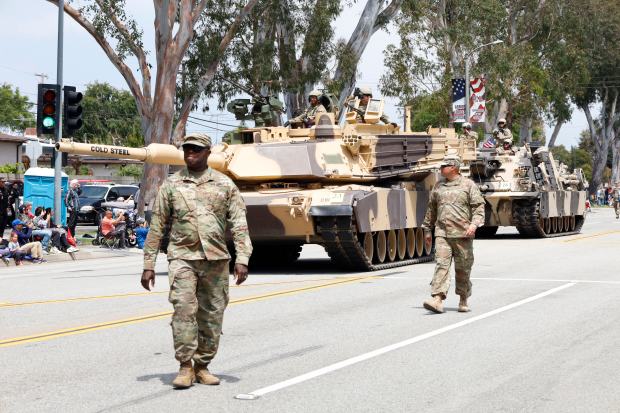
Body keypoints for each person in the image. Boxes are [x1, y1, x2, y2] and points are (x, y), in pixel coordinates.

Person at [141, 133, 252, 389]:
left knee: (212, 313)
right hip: (182, 258)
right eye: (187, 149)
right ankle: (184, 366)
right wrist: (148, 264)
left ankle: (203, 365)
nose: (190, 154)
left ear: (207, 153)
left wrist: (242, 258)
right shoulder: (171, 185)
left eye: (196, 150)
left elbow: (239, 224)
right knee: (183, 310)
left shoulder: (225, 185)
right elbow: (157, 225)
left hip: (216, 259)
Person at [421, 154, 485, 314]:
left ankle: (463, 298)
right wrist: (427, 230)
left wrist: (474, 225)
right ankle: (438, 299)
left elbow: (478, 208)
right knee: (441, 265)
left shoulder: (468, 185)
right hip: (442, 233)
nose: (441, 169)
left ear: (454, 167)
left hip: (463, 234)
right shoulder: (438, 186)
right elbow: (431, 209)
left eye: (444, 166)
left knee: (463, 269)